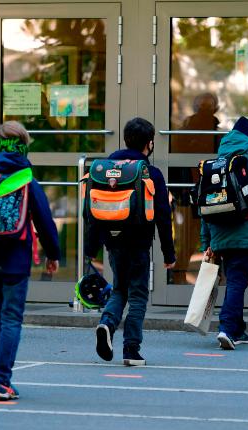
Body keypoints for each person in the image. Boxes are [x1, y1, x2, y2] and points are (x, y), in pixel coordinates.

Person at [0, 121, 60, 400]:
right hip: (15, 259)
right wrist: (53, 254)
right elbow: (45, 222)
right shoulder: (25, 180)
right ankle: (2, 381)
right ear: (23, 147)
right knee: (11, 316)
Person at [88, 117, 176, 366]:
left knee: (119, 289)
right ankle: (131, 350)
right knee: (137, 295)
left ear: (125, 139)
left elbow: (92, 212)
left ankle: (106, 323)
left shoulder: (104, 171)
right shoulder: (151, 173)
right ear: (149, 144)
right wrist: (169, 254)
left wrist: (90, 249)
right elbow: (163, 216)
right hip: (138, 243)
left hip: (112, 241)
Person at [200, 116, 248, 349]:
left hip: (220, 231)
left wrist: (207, 239)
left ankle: (238, 329)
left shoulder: (217, 162)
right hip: (247, 229)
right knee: (237, 279)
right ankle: (226, 329)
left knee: (235, 277)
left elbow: (205, 205)